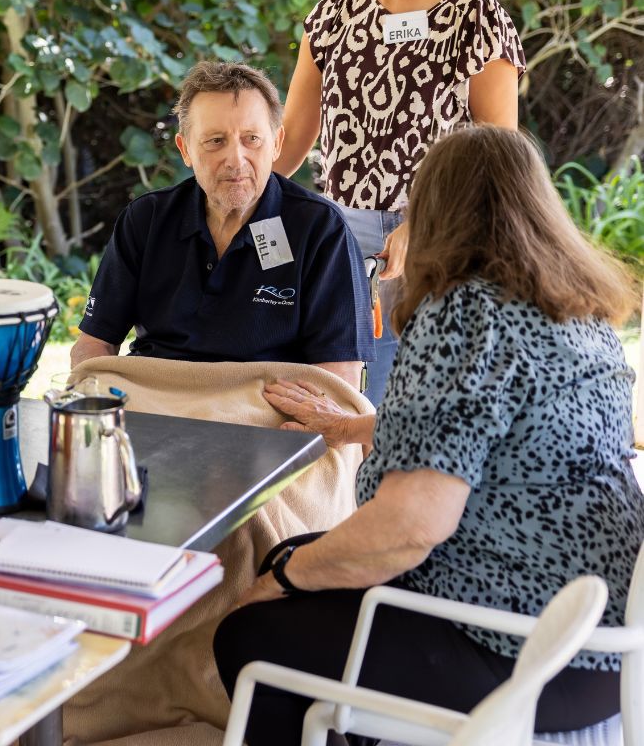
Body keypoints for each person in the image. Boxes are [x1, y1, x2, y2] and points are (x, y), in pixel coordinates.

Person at [215, 126, 642, 744]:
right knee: (296, 551)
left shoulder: (467, 312)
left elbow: (409, 529)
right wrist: (348, 427)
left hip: (524, 651)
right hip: (603, 633)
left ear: (436, 212)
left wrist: (278, 581)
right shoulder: (578, 310)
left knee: (250, 632)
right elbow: (485, 426)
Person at [276, 0, 524, 405]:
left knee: (423, 410)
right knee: (346, 407)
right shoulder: (337, 8)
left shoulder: (475, 9)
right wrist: (229, 198)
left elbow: (498, 154)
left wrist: (425, 220)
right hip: (344, 240)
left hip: (444, 236)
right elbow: (293, 137)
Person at [73, 61, 374, 390]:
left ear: (276, 143)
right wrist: (92, 408)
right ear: (185, 149)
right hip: (157, 404)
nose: (236, 159)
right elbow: (94, 345)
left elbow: (338, 375)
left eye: (252, 139)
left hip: (266, 416)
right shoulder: (147, 220)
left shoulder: (319, 229)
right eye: (215, 141)